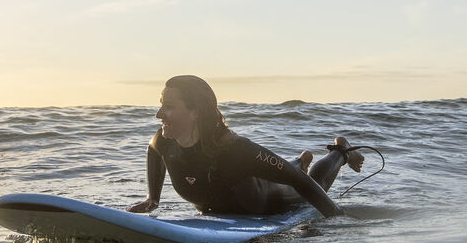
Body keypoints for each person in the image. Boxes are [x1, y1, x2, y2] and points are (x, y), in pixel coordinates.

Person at [127, 75, 364, 218]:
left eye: (168, 107)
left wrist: (337, 219)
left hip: (273, 201)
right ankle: (300, 161)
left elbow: (299, 182)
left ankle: (341, 151)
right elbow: (153, 152)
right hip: (239, 194)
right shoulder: (164, 141)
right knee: (291, 170)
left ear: (195, 112)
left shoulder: (235, 151)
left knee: (311, 182)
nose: (158, 114)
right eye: (161, 105)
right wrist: (153, 198)